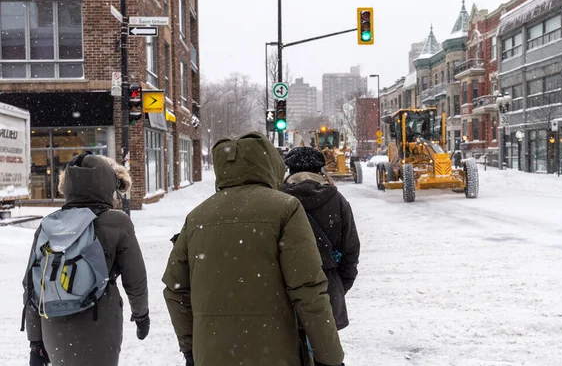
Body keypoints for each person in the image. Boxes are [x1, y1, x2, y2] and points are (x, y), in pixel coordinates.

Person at [163, 132, 344, 366]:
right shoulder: (285, 209)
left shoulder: (197, 217)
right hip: (276, 352)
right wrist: (329, 358)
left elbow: (175, 290)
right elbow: (307, 289)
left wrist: (190, 350)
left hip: (212, 355)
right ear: (270, 164)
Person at [23, 154, 150, 366]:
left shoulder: (50, 224)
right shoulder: (116, 222)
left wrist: (35, 342)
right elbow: (135, 279)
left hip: (52, 324)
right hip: (99, 321)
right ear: (107, 183)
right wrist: (141, 315)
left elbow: (32, 286)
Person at [281, 147, 360, 332]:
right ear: (320, 170)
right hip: (328, 289)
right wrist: (338, 286)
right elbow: (351, 250)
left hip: (285, 294)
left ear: (290, 171)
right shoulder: (338, 200)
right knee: (327, 354)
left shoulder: (278, 200)